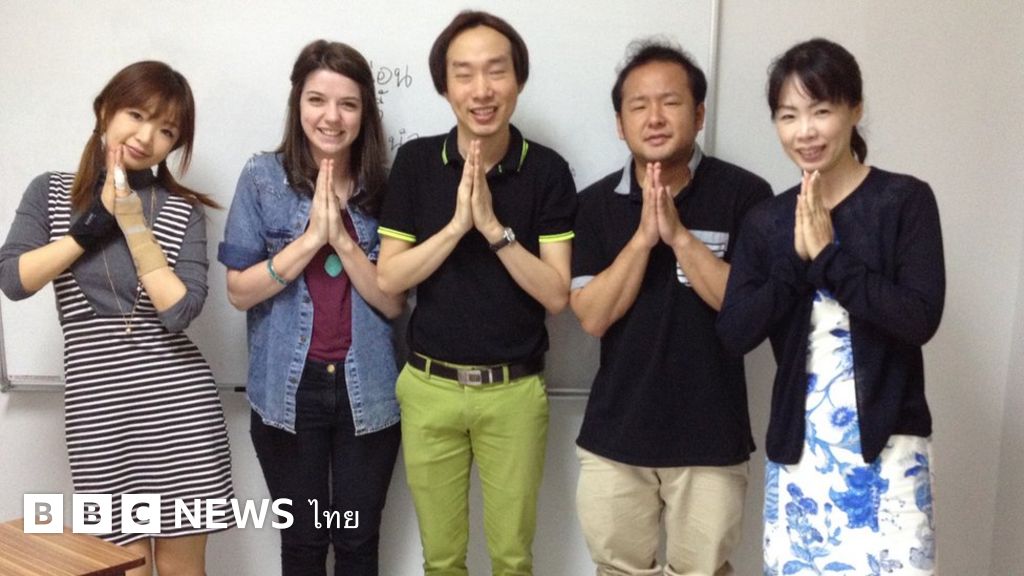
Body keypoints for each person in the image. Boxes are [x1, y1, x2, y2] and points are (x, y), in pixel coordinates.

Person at [717, 38, 944, 575]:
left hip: (890, 449)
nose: (805, 131)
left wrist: (829, 258)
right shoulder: (768, 222)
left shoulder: (904, 201)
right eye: (788, 115)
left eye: (821, 111)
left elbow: (918, 317)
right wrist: (795, 263)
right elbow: (734, 332)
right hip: (801, 452)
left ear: (854, 110)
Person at [0, 61, 234, 576]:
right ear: (105, 109)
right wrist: (93, 223)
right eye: (137, 114)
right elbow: (14, 279)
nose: (147, 137)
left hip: (180, 412)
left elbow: (178, 311)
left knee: (181, 568)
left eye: (167, 130)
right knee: (120, 565)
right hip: (98, 416)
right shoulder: (50, 192)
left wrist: (131, 222)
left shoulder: (183, 209)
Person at [376, 10, 577, 576]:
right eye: (464, 74)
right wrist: (455, 227)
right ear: (445, 86)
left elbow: (556, 294)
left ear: (519, 79)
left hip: (513, 393)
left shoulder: (547, 170)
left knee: (512, 559)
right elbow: (390, 277)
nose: (481, 90)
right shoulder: (417, 162)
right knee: (441, 561)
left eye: (496, 71)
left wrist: (493, 230)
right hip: (428, 387)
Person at [569, 40, 771, 576]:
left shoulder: (747, 195)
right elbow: (592, 316)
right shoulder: (592, 205)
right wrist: (641, 240)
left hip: (712, 435)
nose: (654, 117)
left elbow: (748, 311)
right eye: (639, 105)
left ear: (699, 114)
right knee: (617, 570)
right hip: (616, 434)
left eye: (670, 102)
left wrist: (680, 237)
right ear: (620, 124)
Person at [217, 40, 403, 576]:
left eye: (347, 104)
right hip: (288, 390)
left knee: (357, 543)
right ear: (297, 103)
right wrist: (308, 242)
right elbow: (239, 291)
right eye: (317, 100)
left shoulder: (386, 186)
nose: (331, 117)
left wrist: (342, 240)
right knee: (302, 544)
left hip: (368, 389)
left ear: (365, 113)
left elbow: (393, 302)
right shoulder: (262, 177)